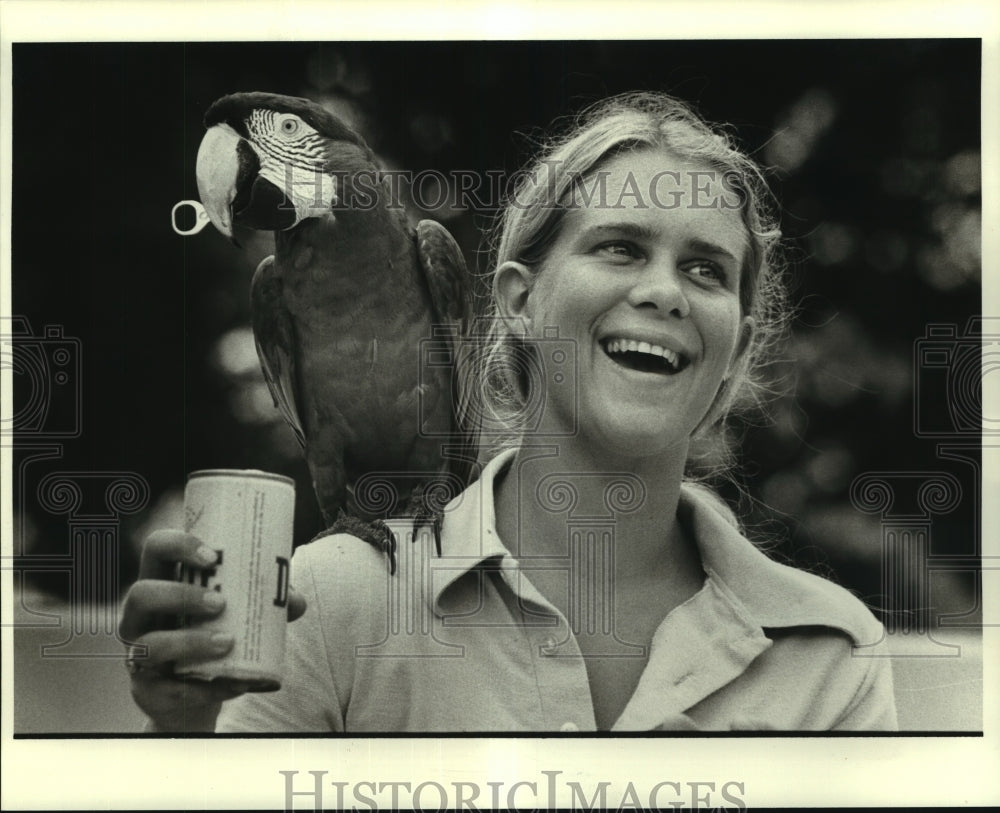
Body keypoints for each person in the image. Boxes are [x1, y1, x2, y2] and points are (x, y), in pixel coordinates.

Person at [120, 91, 897, 732]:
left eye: (704, 268)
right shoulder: (323, 601)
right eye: (620, 248)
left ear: (737, 348)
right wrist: (188, 738)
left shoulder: (830, 654)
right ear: (519, 302)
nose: (664, 291)